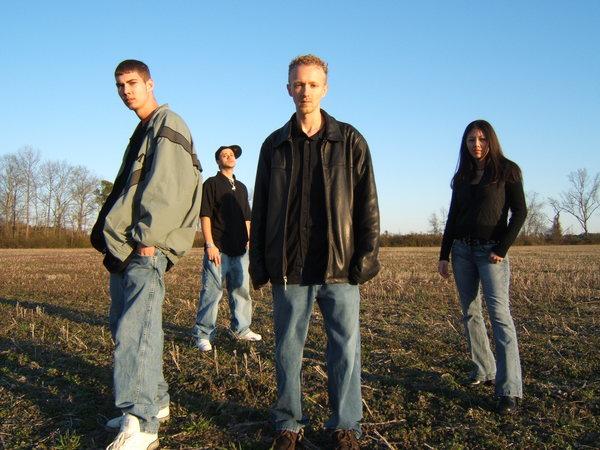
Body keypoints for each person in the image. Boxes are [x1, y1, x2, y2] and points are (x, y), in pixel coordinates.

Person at [250, 54, 380, 450]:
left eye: (312, 84)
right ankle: (288, 423)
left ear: (325, 88)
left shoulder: (350, 141)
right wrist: (258, 262)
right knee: (287, 350)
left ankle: (346, 426)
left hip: (339, 266)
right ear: (288, 88)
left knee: (345, 350)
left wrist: (367, 255)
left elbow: (367, 203)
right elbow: (261, 206)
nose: (304, 91)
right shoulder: (274, 145)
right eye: (298, 84)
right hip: (289, 267)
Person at [91, 59, 202, 449]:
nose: (126, 91)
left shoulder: (167, 122)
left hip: (144, 246)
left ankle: (140, 423)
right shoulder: (144, 129)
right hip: (127, 246)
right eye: (119, 85)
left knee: (135, 331)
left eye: (132, 83)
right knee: (131, 327)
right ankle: (155, 400)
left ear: (150, 83)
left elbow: (169, 185)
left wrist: (148, 238)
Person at [438, 119, 527, 415]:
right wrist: (444, 254)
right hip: (462, 251)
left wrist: (502, 248)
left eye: (482, 139)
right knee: (470, 312)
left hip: (491, 253)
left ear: (491, 140)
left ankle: (509, 390)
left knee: (500, 317)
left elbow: (520, 212)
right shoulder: (462, 176)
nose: (476, 145)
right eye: (470, 140)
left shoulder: (508, 170)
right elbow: (452, 217)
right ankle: (484, 369)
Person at [192, 145, 261, 351]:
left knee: (241, 290)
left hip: (240, 250)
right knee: (212, 293)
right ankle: (203, 334)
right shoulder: (211, 183)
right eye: (225, 155)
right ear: (218, 161)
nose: (229, 157)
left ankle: (241, 329)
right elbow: (205, 215)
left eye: (232, 155)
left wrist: (249, 241)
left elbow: (247, 217)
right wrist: (209, 244)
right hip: (218, 249)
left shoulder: (241, 187)